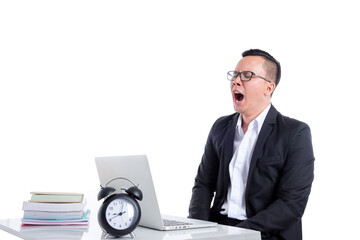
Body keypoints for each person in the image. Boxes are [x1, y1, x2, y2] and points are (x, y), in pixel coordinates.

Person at [188, 49, 314, 240]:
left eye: (247, 75)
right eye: (235, 75)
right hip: (218, 229)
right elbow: (203, 184)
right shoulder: (220, 127)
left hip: (265, 233)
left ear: (268, 88)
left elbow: (291, 204)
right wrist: (199, 229)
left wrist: (238, 235)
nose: (237, 81)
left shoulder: (295, 133)